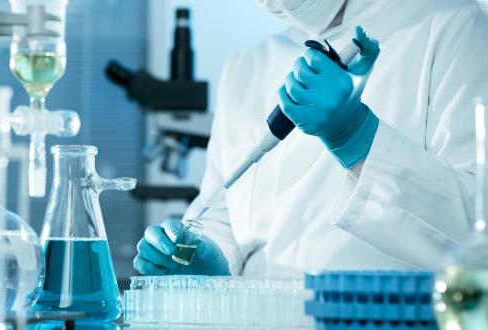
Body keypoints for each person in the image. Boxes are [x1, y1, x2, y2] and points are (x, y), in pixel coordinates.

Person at [134, 0, 488, 277]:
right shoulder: (248, 65)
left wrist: (356, 137)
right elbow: (224, 211)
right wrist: (207, 261)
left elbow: (478, 234)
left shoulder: (456, 25)